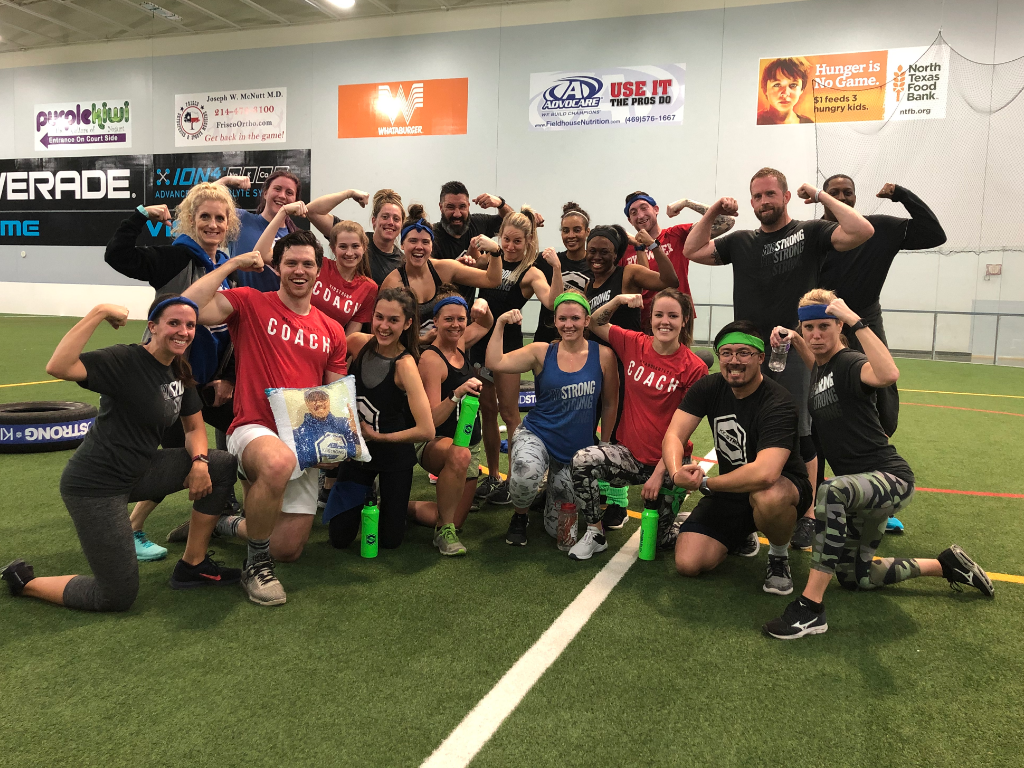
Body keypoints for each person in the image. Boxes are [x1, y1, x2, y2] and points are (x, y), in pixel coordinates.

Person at [761, 291, 993, 639]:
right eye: (809, 328)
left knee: (831, 491)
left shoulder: (850, 361)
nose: (816, 335)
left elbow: (888, 373)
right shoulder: (823, 368)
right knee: (856, 578)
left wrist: (856, 319)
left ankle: (810, 608)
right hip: (860, 493)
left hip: (890, 479)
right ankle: (945, 565)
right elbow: (815, 365)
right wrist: (794, 338)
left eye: (824, 326)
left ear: (839, 326)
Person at [1, 298, 241, 611]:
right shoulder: (125, 359)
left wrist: (199, 463)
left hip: (141, 472)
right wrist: (99, 312)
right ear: (152, 327)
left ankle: (192, 565)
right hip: (95, 486)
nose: (183, 331)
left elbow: (194, 427)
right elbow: (58, 366)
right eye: (174, 323)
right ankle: (24, 581)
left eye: (190, 325)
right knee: (115, 595)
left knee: (220, 464)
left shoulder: (178, 369)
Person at [683, 167, 874, 550]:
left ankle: (808, 514)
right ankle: (746, 507)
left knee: (802, 429)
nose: (763, 201)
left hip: (794, 348)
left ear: (786, 197)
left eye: (770, 194)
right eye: (757, 196)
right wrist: (714, 210)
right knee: (750, 427)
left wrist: (820, 196)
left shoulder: (810, 232)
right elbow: (692, 250)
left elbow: (861, 231)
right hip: (749, 350)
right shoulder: (740, 241)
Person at [182, 230, 348, 606]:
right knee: (277, 463)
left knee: (287, 549)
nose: (299, 270)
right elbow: (188, 306)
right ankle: (255, 565)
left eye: (307, 264)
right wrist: (233, 263)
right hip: (253, 427)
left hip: (302, 439)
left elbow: (331, 396)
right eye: (291, 263)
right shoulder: (251, 302)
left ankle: (224, 523)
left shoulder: (332, 329)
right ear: (277, 267)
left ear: (319, 270)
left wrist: (330, 446)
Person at [104, 181, 240, 561]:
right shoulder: (175, 257)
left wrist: (228, 376)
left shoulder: (225, 266)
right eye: (204, 217)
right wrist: (139, 216)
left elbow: (230, 328)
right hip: (168, 379)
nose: (212, 225)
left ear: (228, 223)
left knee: (241, 431)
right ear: (190, 220)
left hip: (207, 381)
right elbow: (117, 255)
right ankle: (129, 527)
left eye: (220, 218)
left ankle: (222, 507)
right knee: (179, 458)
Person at [663, 321, 812, 596]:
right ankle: (743, 532)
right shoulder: (709, 387)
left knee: (768, 496)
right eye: (726, 353)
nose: (734, 361)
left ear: (761, 357)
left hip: (782, 487)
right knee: (688, 563)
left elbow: (766, 473)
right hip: (733, 489)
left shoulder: (778, 401)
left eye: (744, 353)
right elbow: (674, 434)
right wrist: (675, 472)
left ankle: (778, 556)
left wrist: (705, 484)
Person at [568, 289, 707, 561]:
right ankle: (595, 533)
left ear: (684, 320)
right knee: (582, 461)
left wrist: (659, 473)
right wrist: (618, 300)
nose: (664, 321)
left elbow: (681, 433)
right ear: (650, 318)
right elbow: (594, 322)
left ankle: (689, 522)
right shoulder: (633, 343)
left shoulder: (695, 368)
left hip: (670, 462)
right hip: (629, 456)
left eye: (673, 316)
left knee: (660, 542)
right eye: (658, 315)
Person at [818, 175, 947, 436]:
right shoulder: (811, 234)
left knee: (881, 382)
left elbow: (934, 234)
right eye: (834, 193)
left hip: (865, 320)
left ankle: (880, 437)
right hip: (821, 322)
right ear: (823, 199)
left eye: (847, 192)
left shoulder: (878, 229)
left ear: (855, 197)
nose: (842, 198)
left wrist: (902, 194)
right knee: (818, 385)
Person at [486, 292, 618, 547]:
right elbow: (495, 362)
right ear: (555, 321)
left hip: (574, 450)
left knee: (558, 531)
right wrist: (500, 323)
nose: (569, 324)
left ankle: (548, 492)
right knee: (525, 473)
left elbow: (610, 403)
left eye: (575, 318)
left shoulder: (603, 356)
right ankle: (520, 515)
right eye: (562, 319)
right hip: (538, 435)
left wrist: (604, 444)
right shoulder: (541, 352)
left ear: (587, 321)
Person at [323, 288, 436, 552]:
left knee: (390, 541)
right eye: (379, 317)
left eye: (393, 320)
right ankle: (370, 497)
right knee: (339, 539)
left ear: (407, 323)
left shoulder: (406, 365)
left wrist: (379, 437)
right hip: (358, 454)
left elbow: (427, 430)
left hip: (393, 455)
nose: (384, 326)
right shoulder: (356, 343)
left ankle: (398, 507)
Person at [584, 224, 679, 529]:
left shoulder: (628, 274)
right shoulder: (587, 283)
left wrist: (652, 246)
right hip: (596, 366)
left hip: (627, 366)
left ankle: (618, 503)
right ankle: (597, 490)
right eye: (592, 251)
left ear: (616, 254)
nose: (597, 257)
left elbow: (670, 280)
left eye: (605, 252)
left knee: (617, 435)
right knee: (591, 429)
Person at [469, 209, 564, 507]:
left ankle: (513, 480)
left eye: (517, 241)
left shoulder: (531, 272)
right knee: (486, 411)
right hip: (479, 341)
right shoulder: (491, 259)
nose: (510, 246)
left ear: (528, 241)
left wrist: (557, 269)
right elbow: (469, 269)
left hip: (508, 346)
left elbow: (552, 301)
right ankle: (493, 476)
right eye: (506, 240)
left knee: (509, 414)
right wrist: (471, 254)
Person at [409, 286, 492, 543]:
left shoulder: (461, 344)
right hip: (437, 443)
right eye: (448, 319)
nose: (456, 325)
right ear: (435, 321)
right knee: (459, 456)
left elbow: (486, 324)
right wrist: (456, 394)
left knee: (454, 520)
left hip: (469, 444)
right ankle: (438, 531)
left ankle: (397, 505)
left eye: (461, 319)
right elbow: (430, 422)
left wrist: (484, 307)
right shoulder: (431, 360)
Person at [381, 205, 502, 344]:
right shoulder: (393, 283)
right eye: (413, 241)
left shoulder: (444, 269)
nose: (419, 247)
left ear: (432, 246)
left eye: (425, 242)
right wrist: (422, 340)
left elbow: (492, 280)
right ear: (402, 245)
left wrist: (495, 251)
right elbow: (382, 332)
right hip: (409, 353)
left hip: (444, 351)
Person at [619, 191, 735, 332]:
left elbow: (726, 221)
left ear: (656, 209)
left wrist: (687, 203)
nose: (640, 215)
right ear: (630, 220)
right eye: (634, 212)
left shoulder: (676, 235)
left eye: (644, 208)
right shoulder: (626, 251)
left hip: (678, 320)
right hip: (641, 324)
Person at [431, 180, 517, 303]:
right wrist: (456, 268)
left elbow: (513, 223)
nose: (457, 214)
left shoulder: (477, 223)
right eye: (450, 207)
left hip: (468, 309)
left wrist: (500, 204)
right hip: (438, 308)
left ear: (468, 206)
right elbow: (425, 277)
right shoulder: (431, 237)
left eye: (462, 207)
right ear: (441, 207)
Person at [532, 202, 592, 344]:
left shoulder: (596, 265)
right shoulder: (547, 260)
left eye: (577, 230)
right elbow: (518, 255)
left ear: (587, 232)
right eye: (566, 230)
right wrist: (530, 228)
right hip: (546, 340)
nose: (571, 235)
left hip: (580, 343)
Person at [757, 57, 813, 125]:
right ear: (765, 89)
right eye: (777, 85)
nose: (785, 93)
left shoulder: (808, 123)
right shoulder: (757, 120)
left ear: (801, 90)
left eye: (793, 85)